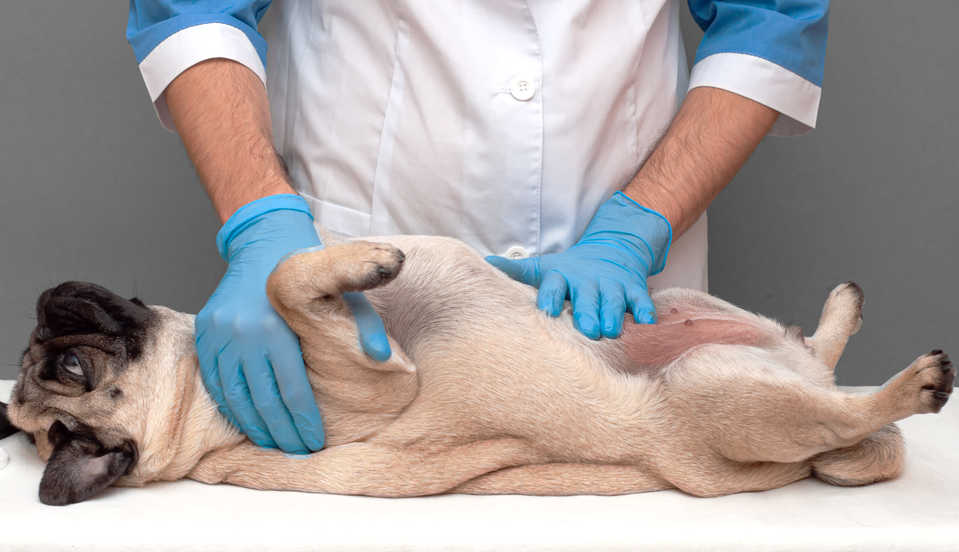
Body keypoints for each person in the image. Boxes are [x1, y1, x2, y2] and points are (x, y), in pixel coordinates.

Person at [126, 1, 829, 454]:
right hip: (360, 263)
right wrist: (258, 220)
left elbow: (768, 15)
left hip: (620, 275)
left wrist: (642, 220)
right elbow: (193, 7)